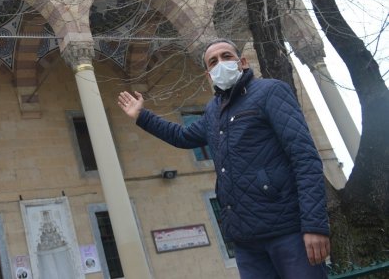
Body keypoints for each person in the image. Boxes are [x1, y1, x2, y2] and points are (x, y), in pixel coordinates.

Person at [118, 39, 330, 279]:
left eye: (226, 56)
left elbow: (305, 158)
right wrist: (142, 116)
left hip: (287, 231)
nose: (221, 63)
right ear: (208, 74)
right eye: (213, 61)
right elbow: (182, 136)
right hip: (246, 240)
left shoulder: (270, 91)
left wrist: (314, 226)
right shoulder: (213, 111)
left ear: (242, 62)